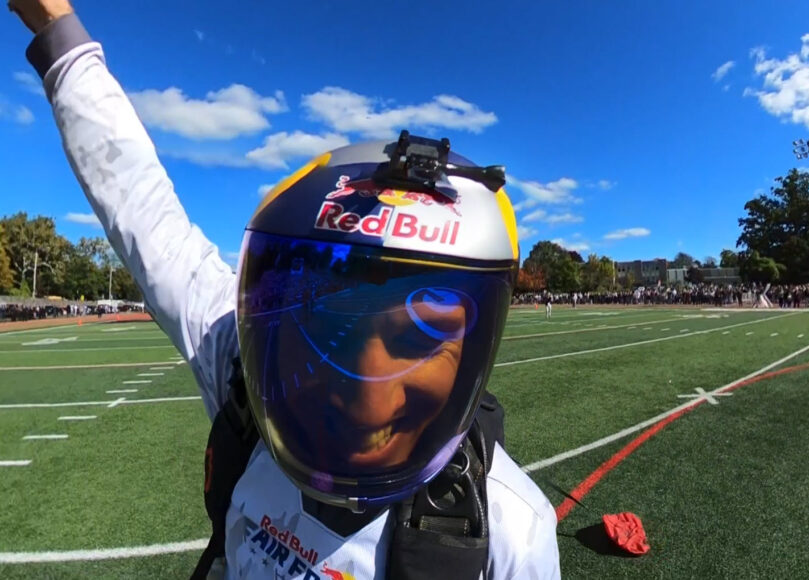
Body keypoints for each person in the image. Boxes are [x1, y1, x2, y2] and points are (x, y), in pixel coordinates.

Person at [9, 2, 560, 578]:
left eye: (419, 335)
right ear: (270, 326)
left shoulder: (510, 534)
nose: (368, 397)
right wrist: (56, 27)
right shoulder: (250, 371)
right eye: (328, 326)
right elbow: (140, 208)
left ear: (473, 354)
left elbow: (148, 219)